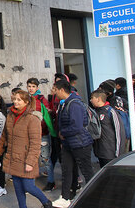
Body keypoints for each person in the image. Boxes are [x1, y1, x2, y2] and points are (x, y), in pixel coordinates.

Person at [0, 90, 52, 208]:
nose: (15, 102)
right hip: (13, 157)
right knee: (18, 187)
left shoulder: (32, 118)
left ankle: (46, 203)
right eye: (14, 99)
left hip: (26, 158)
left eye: (19, 100)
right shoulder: (10, 115)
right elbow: (4, 135)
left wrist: (30, 162)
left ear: (26, 102)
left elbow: (35, 143)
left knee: (28, 187)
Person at [51, 79, 93, 208]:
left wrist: (63, 132)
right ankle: (65, 197)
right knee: (67, 170)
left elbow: (77, 126)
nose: (54, 93)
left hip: (80, 143)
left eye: (55, 90)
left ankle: (93, 195)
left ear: (62, 90)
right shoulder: (64, 103)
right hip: (69, 143)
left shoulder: (74, 104)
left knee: (87, 172)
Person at [26, 78, 55, 190]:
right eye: (29, 86)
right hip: (30, 135)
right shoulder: (26, 99)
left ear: (37, 87)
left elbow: (46, 117)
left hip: (42, 134)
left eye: (33, 86)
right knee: (31, 159)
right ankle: (30, 184)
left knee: (46, 159)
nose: (31, 88)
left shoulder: (42, 99)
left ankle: (51, 182)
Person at [90, 89, 126, 167]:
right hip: (100, 151)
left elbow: (119, 132)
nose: (91, 100)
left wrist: (118, 152)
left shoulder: (110, 111)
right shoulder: (94, 112)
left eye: (92, 98)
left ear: (98, 99)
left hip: (111, 152)